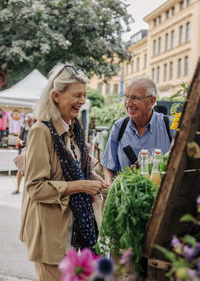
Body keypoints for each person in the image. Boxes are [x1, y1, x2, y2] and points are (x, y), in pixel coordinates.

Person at [19, 62, 109, 281]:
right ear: (56, 96)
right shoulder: (41, 131)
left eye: (84, 95)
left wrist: (95, 179)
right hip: (50, 236)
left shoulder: (74, 129)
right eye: (76, 95)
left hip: (74, 232)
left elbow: (78, 168)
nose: (82, 101)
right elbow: (35, 188)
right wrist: (81, 186)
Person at [101, 77, 175, 183]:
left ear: (151, 101)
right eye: (126, 97)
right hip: (127, 196)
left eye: (135, 98)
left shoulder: (170, 126)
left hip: (162, 196)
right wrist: (111, 188)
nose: (128, 103)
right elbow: (109, 167)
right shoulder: (119, 127)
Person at [12, 113, 34, 194]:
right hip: (22, 150)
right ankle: (17, 188)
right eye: (27, 121)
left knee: (29, 171)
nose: (28, 122)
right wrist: (20, 141)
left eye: (29, 121)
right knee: (20, 170)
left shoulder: (34, 127)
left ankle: (28, 191)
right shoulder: (22, 127)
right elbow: (18, 137)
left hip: (31, 150)